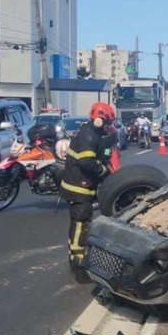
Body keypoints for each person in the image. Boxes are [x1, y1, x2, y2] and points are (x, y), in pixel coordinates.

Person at [59, 101, 118, 282]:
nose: (108, 126)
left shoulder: (90, 133)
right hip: (79, 188)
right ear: (99, 120)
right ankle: (78, 264)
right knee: (80, 225)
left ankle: (74, 257)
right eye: (107, 122)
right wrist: (103, 171)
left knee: (78, 224)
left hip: (78, 186)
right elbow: (86, 162)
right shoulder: (89, 137)